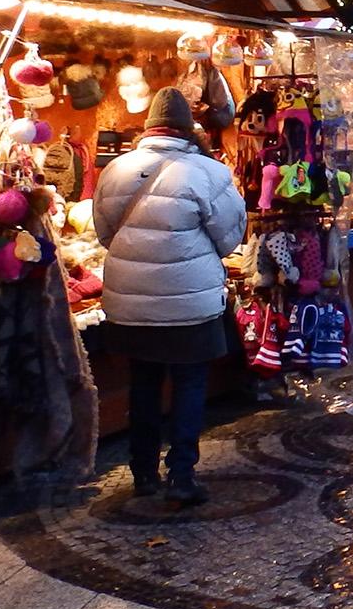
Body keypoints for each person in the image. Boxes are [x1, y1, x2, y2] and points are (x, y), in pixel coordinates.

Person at [94, 87, 247, 508]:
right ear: (188, 129)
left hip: (129, 302)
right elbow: (231, 236)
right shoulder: (209, 172)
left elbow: (106, 235)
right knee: (189, 383)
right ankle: (181, 475)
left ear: (148, 128)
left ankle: (142, 472)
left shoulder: (116, 168)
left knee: (142, 383)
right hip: (189, 300)